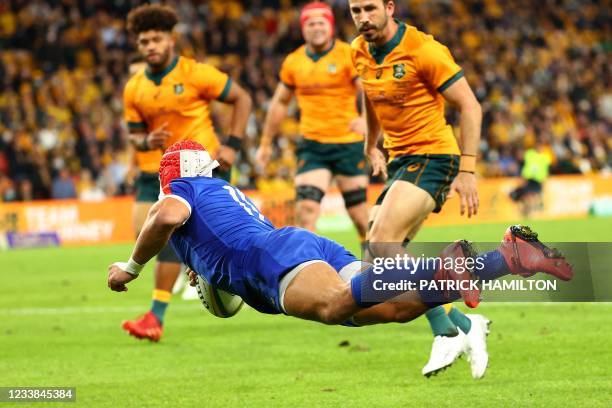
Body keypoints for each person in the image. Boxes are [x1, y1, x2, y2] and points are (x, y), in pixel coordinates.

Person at [107, 141, 573, 351]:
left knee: (333, 308)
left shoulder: (181, 192)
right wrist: (205, 268)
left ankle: (445, 265)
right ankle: (507, 256)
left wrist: (130, 266)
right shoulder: (219, 192)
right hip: (299, 247)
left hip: (270, 263)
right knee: (392, 310)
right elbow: (217, 268)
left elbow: (164, 215)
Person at [347, 0, 486, 377]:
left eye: (370, 8)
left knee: (381, 242)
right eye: (355, 10)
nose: (363, 17)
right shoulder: (359, 50)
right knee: (379, 260)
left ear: (390, 8)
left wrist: (468, 170)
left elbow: (470, 107)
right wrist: (370, 142)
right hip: (400, 161)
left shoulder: (424, 50)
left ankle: (448, 324)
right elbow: (370, 92)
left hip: (434, 156)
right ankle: (463, 325)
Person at [120, 4, 252, 342]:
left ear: (171, 40)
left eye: (156, 39)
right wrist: (145, 139)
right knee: (142, 229)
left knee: (170, 233)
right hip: (157, 168)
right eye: (143, 41)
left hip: (198, 170)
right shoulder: (134, 89)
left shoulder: (195, 73)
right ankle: (195, 271)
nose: (149, 46)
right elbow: (134, 134)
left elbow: (242, 98)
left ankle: (156, 315)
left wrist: (233, 144)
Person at [255, 2, 368, 244]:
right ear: (303, 28)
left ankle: (376, 272)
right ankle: (312, 277)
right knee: (306, 212)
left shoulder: (348, 54)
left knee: (361, 217)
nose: (316, 28)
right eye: (310, 23)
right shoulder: (294, 61)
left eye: (321, 23)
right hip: (313, 145)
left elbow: (369, 91)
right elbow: (279, 103)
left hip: (348, 144)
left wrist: (366, 121)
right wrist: (265, 143)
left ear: (331, 27)